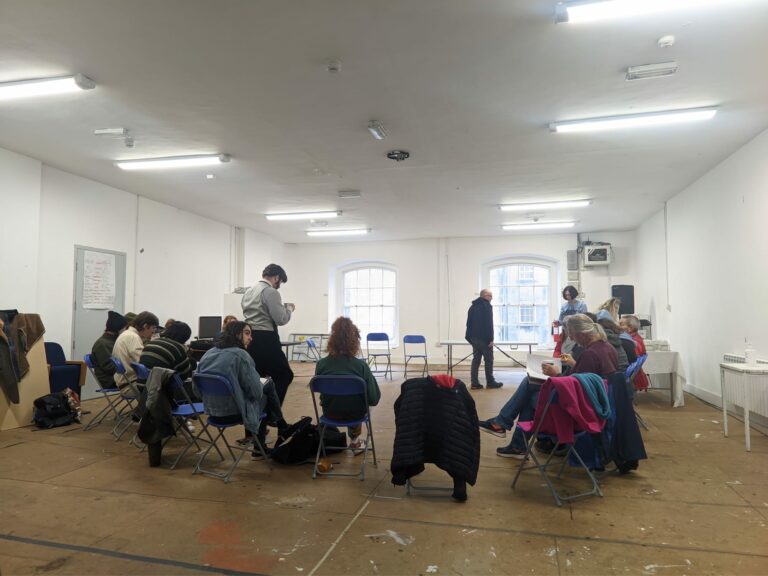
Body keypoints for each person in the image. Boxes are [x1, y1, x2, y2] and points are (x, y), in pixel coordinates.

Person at [479, 314, 618, 458]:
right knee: (530, 391)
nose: (572, 339)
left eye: (572, 336)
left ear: (582, 335)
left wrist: (556, 375)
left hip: (578, 409)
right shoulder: (606, 348)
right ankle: (512, 439)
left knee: (529, 393)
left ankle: (506, 430)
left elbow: (576, 390)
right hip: (593, 404)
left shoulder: (589, 354)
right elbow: (589, 379)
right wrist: (573, 364)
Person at [196, 320, 291, 453]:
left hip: (211, 412)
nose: (251, 338)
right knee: (266, 388)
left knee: (265, 386)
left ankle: (281, 424)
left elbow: (196, 390)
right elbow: (255, 393)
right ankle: (262, 445)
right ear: (236, 334)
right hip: (235, 413)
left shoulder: (208, 353)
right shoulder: (241, 355)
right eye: (247, 333)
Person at [314, 316, 381, 451]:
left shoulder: (321, 364)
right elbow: (374, 399)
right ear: (354, 340)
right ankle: (355, 441)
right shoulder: (361, 366)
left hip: (329, 414)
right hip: (355, 415)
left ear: (332, 340)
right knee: (362, 399)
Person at [241, 264, 295, 405]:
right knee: (285, 375)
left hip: (250, 338)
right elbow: (281, 319)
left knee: (259, 377)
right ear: (277, 277)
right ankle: (272, 412)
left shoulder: (249, 291)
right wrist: (288, 309)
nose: (279, 285)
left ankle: (260, 416)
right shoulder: (270, 292)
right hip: (267, 338)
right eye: (280, 282)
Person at [465, 289, 503, 390]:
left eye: (491, 296)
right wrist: (490, 339)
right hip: (484, 339)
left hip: (474, 338)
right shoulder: (486, 306)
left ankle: (474, 383)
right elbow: (488, 324)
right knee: (489, 360)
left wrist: (470, 338)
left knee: (476, 360)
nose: (491, 298)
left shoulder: (472, 307)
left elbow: (468, 323)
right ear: (483, 296)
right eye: (489, 295)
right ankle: (490, 382)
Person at [112, 311, 159, 388]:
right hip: (130, 385)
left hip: (125, 381)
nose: (154, 331)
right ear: (145, 326)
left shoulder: (127, 333)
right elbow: (144, 362)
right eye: (153, 328)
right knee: (165, 387)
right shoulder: (133, 337)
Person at [90, 311, 128, 389]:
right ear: (117, 329)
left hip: (115, 377)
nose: (126, 331)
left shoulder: (111, 341)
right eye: (124, 328)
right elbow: (109, 368)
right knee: (142, 382)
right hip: (109, 381)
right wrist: (128, 365)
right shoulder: (102, 344)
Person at [620, 315, 650, 392]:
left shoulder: (634, 341)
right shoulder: (633, 338)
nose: (618, 326)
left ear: (630, 328)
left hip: (628, 370)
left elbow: (633, 356)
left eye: (621, 324)